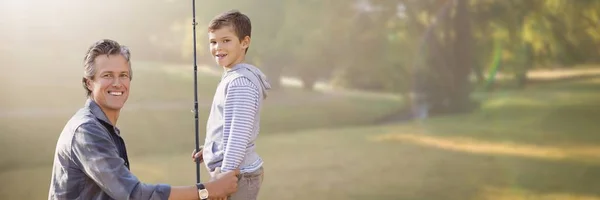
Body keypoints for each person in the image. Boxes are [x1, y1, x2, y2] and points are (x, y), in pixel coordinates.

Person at [48, 39, 240, 200]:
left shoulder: (101, 127)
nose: (117, 83)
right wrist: (208, 190)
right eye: (107, 75)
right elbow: (133, 195)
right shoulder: (86, 131)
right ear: (89, 82)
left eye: (123, 75)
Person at [192, 9, 270, 200]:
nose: (218, 47)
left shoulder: (241, 83)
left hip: (237, 175)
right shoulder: (233, 77)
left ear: (245, 42)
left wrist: (222, 180)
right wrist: (211, 149)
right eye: (213, 42)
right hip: (234, 171)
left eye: (226, 40)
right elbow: (228, 127)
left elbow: (238, 137)